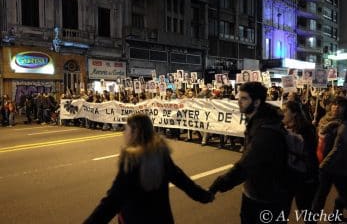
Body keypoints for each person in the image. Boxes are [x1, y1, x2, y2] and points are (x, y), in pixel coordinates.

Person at [84, 114, 213, 224]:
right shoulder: (161, 155)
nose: (124, 132)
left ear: (136, 132)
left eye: (126, 129)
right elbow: (183, 181)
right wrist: (204, 196)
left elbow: (112, 202)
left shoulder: (132, 161)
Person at [209, 82, 290, 224]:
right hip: (256, 191)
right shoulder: (258, 120)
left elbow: (247, 164)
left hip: (267, 198)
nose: (239, 102)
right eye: (239, 98)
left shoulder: (266, 130)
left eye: (244, 98)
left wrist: (218, 184)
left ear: (257, 102)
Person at [312, 97, 347, 222]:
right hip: (324, 163)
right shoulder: (324, 119)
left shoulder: (344, 124)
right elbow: (319, 139)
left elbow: (339, 148)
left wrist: (323, 165)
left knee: (344, 195)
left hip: (337, 165)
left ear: (345, 109)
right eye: (334, 104)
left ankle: (335, 215)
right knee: (321, 195)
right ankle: (312, 219)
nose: (336, 107)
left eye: (340, 105)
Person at [282, 101, 319, 216]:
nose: (282, 114)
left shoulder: (306, 130)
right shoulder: (282, 129)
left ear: (294, 113)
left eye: (285, 111)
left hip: (303, 176)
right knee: (282, 210)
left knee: (305, 209)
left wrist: (310, 176)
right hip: (287, 176)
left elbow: (310, 155)